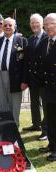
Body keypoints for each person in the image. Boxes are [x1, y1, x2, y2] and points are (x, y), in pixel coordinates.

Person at [0, 17, 28, 127]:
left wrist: (25, 80)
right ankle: (5, 127)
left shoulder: (21, 41)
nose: (7, 27)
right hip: (0, 75)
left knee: (14, 105)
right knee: (3, 105)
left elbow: (25, 63)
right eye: (5, 25)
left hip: (16, 78)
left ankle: (14, 128)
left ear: (14, 27)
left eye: (10, 25)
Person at [23, 14, 48, 141]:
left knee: (47, 105)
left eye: (37, 22)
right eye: (32, 23)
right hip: (33, 79)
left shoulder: (47, 37)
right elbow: (28, 61)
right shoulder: (31, 39)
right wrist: (26, 80)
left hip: (45, 79)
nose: (34, 25)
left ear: (42, 23)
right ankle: (36, 125)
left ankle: (46, 130)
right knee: (34, 103)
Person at [38, 13, 56, 161]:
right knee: (49, 119)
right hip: (47, 87)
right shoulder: (44, 42)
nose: (48, 26)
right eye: (46, 24)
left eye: (52, 23)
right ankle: (51, 145)